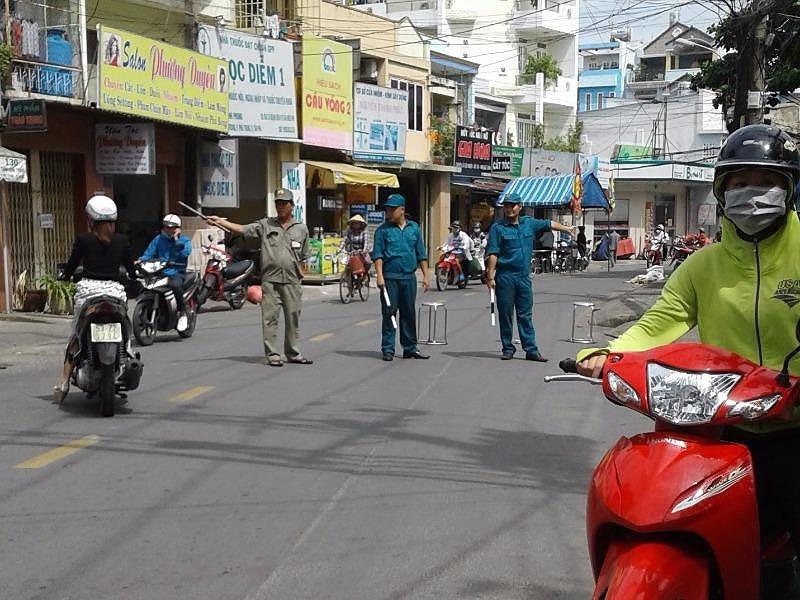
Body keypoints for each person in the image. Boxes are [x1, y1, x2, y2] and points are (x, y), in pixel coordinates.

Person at [577, 124, 800, 556]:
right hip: (722, 431)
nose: (751, 193)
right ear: (720, 192)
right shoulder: (703, 265)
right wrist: (610, 353)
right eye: (738, 183)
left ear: (788, 188)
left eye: (766, 181)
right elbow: (660, 320)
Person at [205, 189, 312, 367]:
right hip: (270, 280)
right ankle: (273, 355)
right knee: (270, 318)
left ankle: (293, 353)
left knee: (293, 317)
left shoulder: (301, 228)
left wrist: (301, 274)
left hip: (292, 281)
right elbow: (242, 229)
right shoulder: (266, 225)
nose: (280, 206)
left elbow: (304, 255)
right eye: (277, 203)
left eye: (284, 203)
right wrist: (220, 222)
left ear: (291, 206)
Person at [54, 194, 137, 400]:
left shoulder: (83, 240)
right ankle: (129, 355)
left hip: (88, 293)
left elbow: (72, 265)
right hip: (115, 293)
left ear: (91, 220)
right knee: (126, 330)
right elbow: (131, 270)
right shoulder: (122, 241)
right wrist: (134, 279)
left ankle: (63, 384)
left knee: (75, 336)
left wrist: (65, 276)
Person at [486, 192, 576, 361]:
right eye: (506, 205)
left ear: (520, 207)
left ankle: (531, 349)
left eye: (512, 205)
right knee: (505, 313)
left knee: (525, 314)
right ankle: (508, 348)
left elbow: (549, 224)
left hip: (523, 278)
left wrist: (566, 229)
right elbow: (493, 252)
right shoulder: (497, 228)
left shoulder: (529, 223)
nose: (509, 208)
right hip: (505, 276)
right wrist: (490, 276)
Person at [372, 193, 430, 362]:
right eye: (387, 209)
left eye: (392, 209)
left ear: (402, 210)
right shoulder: (382, 231)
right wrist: (380, 276)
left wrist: (426, 276)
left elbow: (421, 254)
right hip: (390, 278)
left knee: (409, 313)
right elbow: (378, 256)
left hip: (408, 278)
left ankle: (410, 347)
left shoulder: (414, 228)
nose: (388, 212)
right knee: (389, 313)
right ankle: (388, 349)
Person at [139, 214, 192, 332]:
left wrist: (176, 239)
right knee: (145, 286)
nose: (168, 229)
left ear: (177, 228)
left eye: (171, 227)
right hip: (160, 271)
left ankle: (182, 312)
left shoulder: (184, 241)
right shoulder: (158, 239)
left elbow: (185, 253)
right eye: (166, 227)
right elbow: (148, 253)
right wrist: (141, 260)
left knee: (175, 286)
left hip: (177, 272)